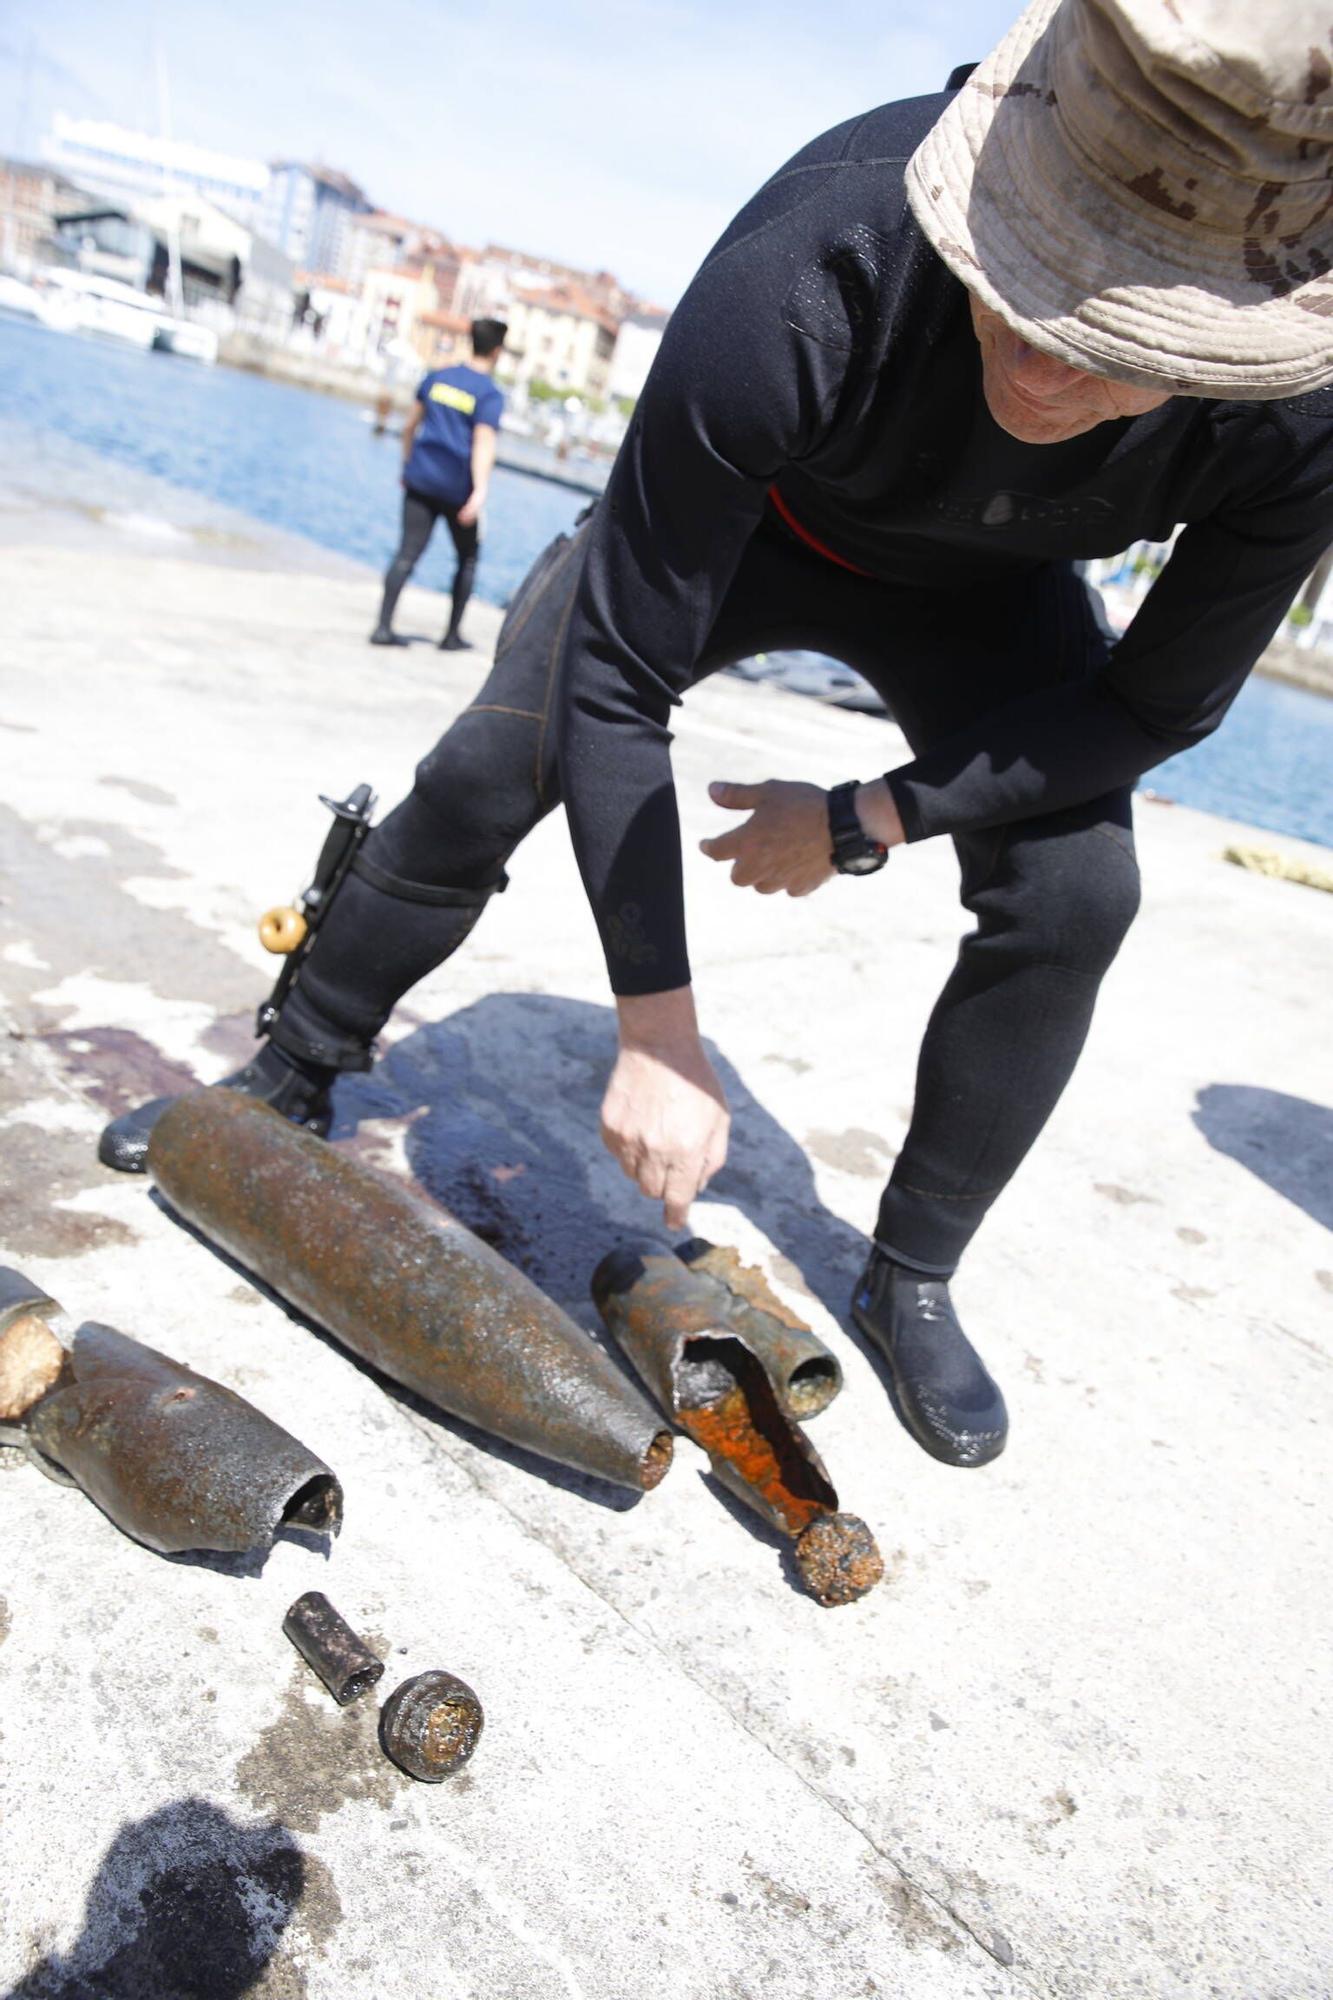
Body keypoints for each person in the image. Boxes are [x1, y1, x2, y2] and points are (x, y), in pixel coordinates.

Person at [102, 0, 1333, 1471]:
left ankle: (913, 1271)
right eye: (1018, 288)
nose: (1042, 368)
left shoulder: (1296, 417)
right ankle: (297, 1061)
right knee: (498, 757)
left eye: (1116, 344)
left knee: (1078, 892)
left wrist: (868, 817)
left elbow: (1152, 707)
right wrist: (659, 1035)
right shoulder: (820, 251)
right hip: (761, 525)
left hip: (994, 590)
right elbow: (617, 673)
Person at [370, 317, 508, 651]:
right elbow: (483, 443)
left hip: (420, 477)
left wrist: (407, 465)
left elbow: (409, 426)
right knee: (468, 558)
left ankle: (383, 628)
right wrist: (479, 492)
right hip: (456, 488)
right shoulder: (488, 394)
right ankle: (451, 635)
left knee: (407, 552)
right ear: (497, 351)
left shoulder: (438, 378)